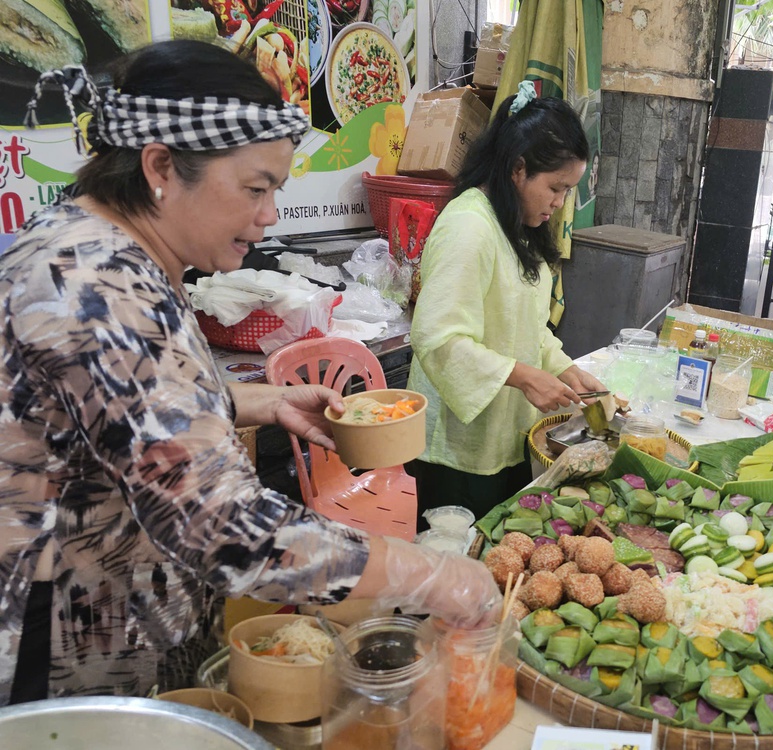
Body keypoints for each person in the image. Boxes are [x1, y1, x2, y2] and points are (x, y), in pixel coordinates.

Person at [0, 41, 498, 705]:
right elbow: (227, 528)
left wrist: (247, 401)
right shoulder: (97, 285)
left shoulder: (96, 243)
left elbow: (111, 412)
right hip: (64, 654)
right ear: (161, 168)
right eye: (255, 189)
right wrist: (433, 577)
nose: (268, 216)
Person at [406, 81, 606, 521]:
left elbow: (526, 326)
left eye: (568, 191)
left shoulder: (517, 226)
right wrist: (522, 377)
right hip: (457, 448)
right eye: (555, 188)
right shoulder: (469, 227)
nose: (559, 203)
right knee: (459, 559)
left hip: (504, 432)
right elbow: (437, 338)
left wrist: (563, 369)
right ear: (518, 170)